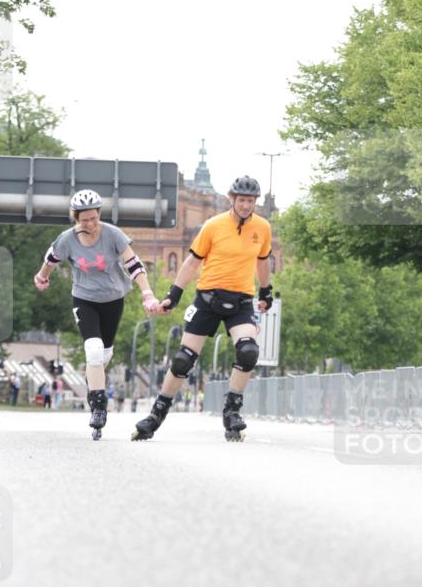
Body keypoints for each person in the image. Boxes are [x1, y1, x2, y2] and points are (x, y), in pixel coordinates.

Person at [133, 175, 273, 442]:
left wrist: (266, 291)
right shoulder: (213, 226)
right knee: (183, 359)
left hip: (241, 301)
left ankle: (232, 412)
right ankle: (156, 414)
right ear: (232, 200)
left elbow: (263, 261)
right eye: (242, 200)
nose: (246, 205)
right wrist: (173, 296)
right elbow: (190, 263)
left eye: (251, 201)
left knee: (248, 351)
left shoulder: (262, 228)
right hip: (208, 298)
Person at [33, 189, 159, 439]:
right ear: (75, 218)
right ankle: (99, 408)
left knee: (104, 355)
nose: (90, 224)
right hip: (84, 299)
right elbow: (51, 258)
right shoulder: (67, 239)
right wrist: (42, 277)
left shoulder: (113, 235)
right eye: (84, 219)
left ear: (99, 214)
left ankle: (95, 381)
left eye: (94, 218)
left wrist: (147, 293)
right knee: (92, 350)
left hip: (113, 299)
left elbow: (133, 264)